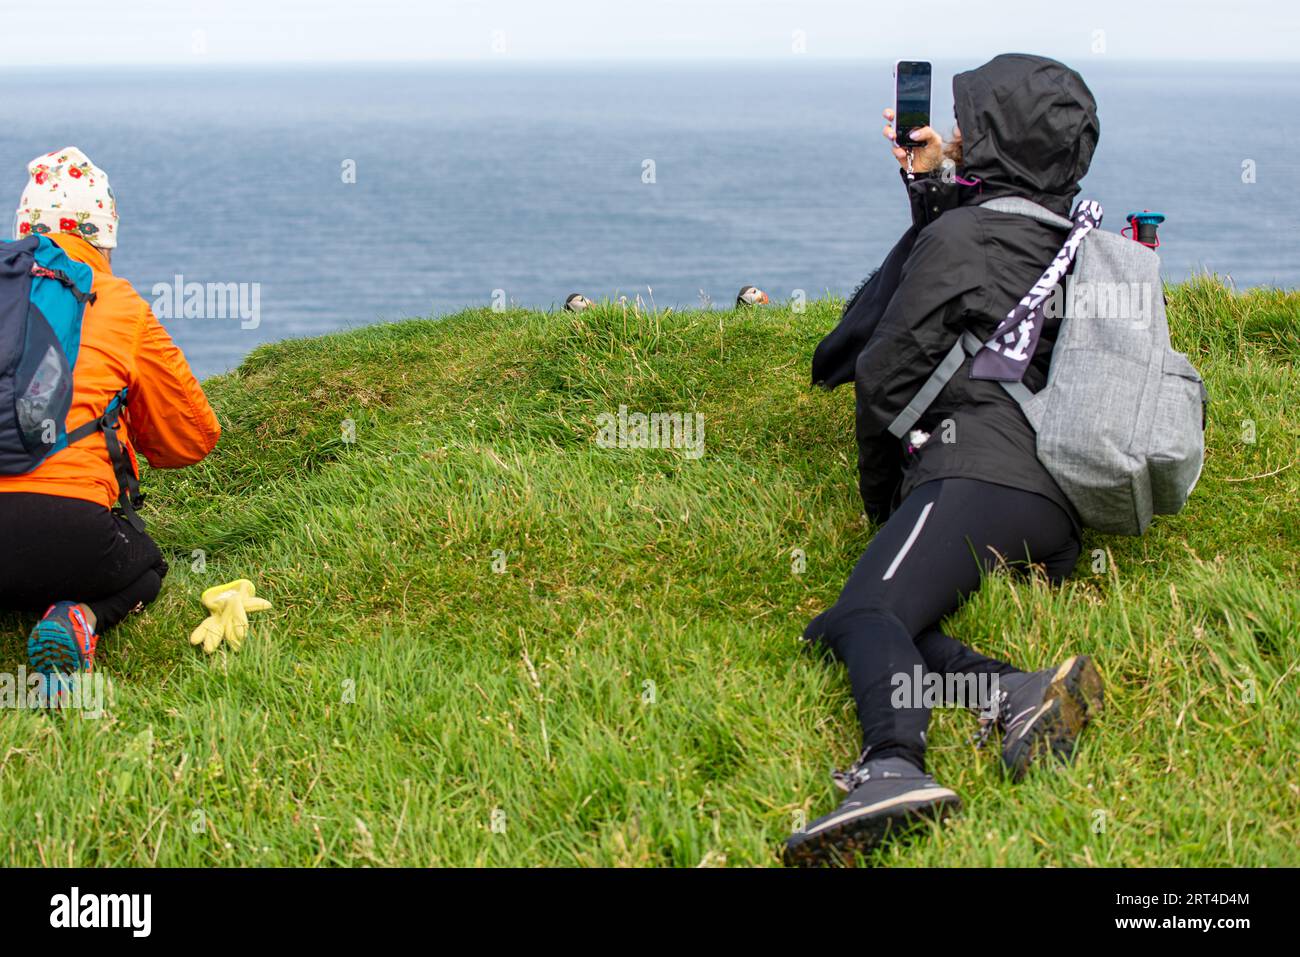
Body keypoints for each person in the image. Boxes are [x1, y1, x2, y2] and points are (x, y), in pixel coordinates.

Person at [783, 55, 1106, 866]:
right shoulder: (1074, 234)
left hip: (978, 478)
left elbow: (885, 379)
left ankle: (893, 766)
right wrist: (935, 184)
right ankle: (1013, 691)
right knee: (838, 625)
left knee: (867, 615)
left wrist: (885, 503)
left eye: (974, 123)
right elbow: (987, 275)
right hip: (1057, 499)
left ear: (996, 139)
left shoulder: (966, 236)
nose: (957, 131)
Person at [0, 147, 220, 680]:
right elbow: (192, 439)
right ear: (104, 235)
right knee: (145, 564)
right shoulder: (119, 303)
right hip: (71, 534)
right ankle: (81, 617)